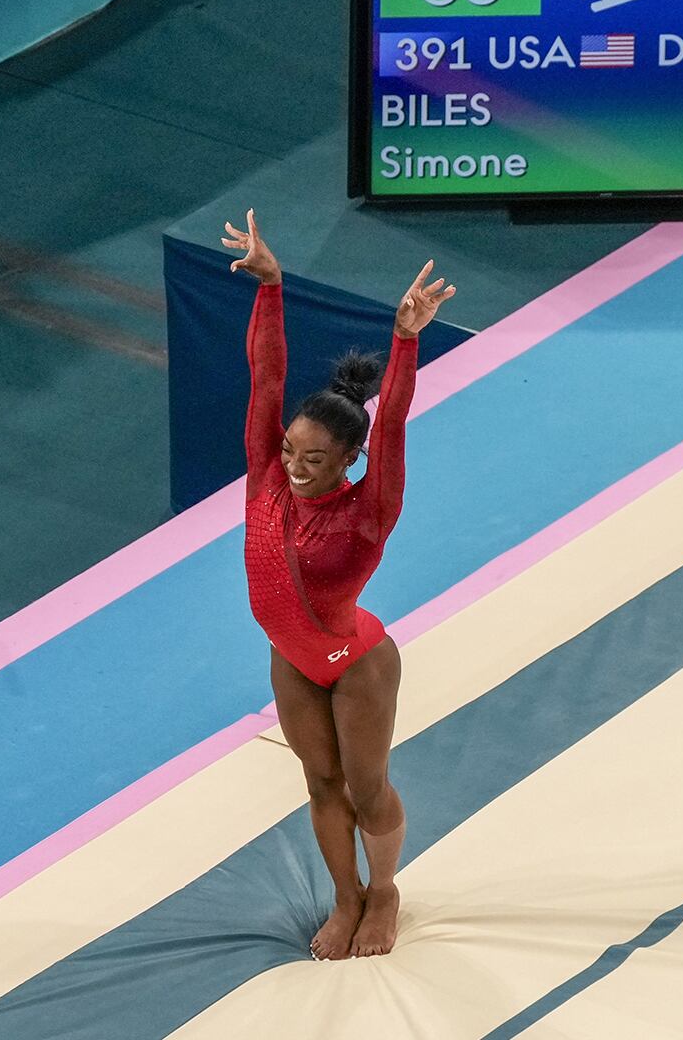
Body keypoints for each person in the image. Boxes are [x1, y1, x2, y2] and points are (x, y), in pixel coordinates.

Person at [222, 209, 456, 960]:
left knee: (365, 788)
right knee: (320, 785)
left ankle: (383, 892)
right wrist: (271, 288)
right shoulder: (266, 474)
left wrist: (406, 340)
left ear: (348, 460)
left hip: (357, 663)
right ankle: (345, 896)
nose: (294, 465)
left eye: (314, 459)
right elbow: (266, 378)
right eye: (291, 449)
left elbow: (392, 427)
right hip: (291, 657)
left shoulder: (368, 510)